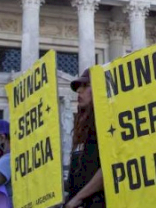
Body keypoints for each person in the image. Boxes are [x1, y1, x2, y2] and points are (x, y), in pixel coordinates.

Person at [65, 68, 105, 208]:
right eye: (78, 87)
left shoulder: (104, 122)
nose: (79, 91)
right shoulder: (81, 127)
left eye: (86, 86)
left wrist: (78, 198)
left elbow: (108, 168)